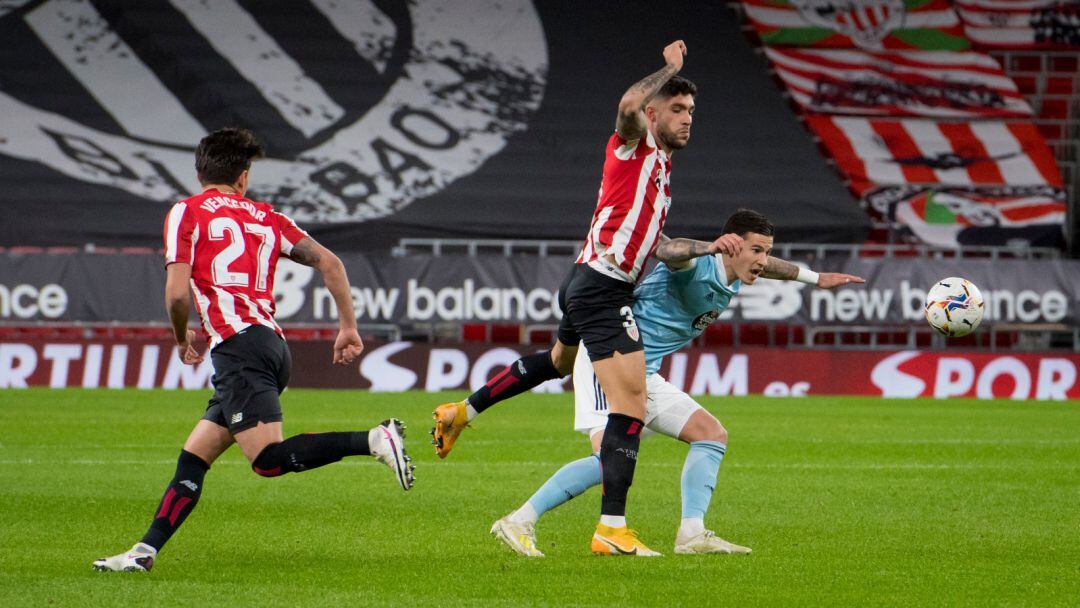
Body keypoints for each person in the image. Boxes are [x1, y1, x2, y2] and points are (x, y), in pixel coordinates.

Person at [433, 40, 746, 557]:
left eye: (692, 110)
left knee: (558, 362)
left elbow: (658, 245)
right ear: (653, 112)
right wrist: (669, 68)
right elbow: (626, 108)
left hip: (588, 281)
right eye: (677, 108)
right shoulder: (633, 144)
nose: (688, 118)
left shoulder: (663, 172)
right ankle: (611, 529)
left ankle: (461, 412)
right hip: (602, 287)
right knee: (631, 408)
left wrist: (712, 247)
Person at [93, 128, 415, 573]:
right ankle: (143, 552)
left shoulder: (186, 212)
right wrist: (347, 328)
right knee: (194, 457)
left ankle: (375, 439)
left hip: (239, 350)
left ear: (199, 171)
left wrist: (181, 334)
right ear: (243, 178)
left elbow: (176, 294)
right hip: (270, 345)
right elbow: (331, 263)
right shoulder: (267, 218)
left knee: (266, 461)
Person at [489, 209, 864, 556]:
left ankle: (692, 534)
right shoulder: (697, 266)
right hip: (609, 360)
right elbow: (669, 251)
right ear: (730, 245)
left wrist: (815, 278)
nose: (763, 261)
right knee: (608, 460)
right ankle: (519, 520)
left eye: (766, 251)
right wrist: (708, 246)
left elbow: (770, 266)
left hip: (644, 372)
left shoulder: (738, 269)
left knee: (710, 434)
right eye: (756, 250)